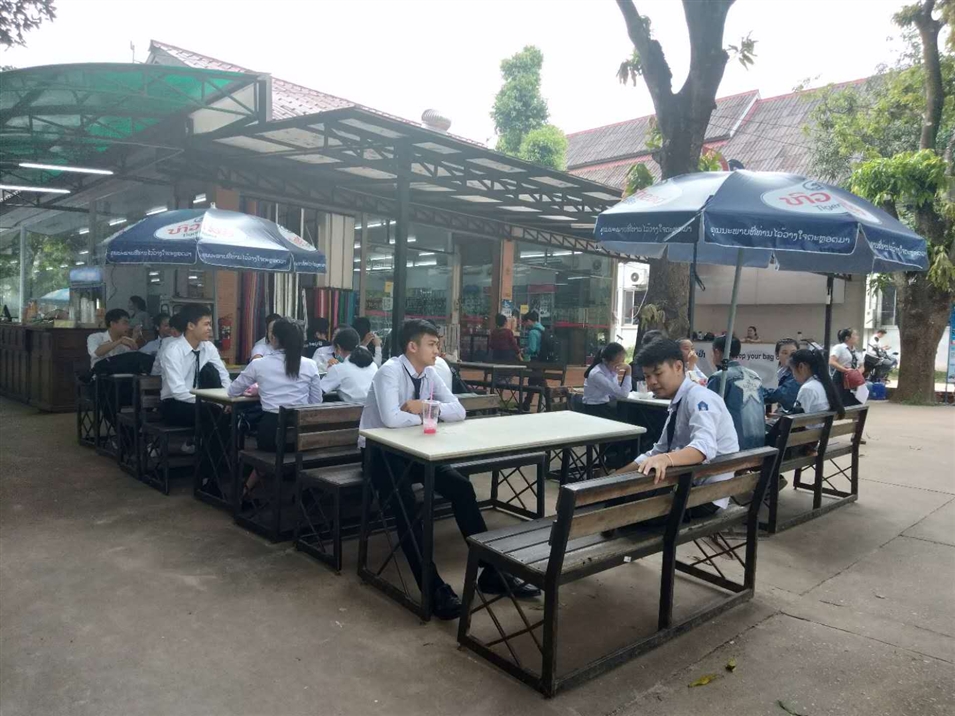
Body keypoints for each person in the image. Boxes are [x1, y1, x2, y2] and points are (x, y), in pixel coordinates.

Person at [360, 319, 539, 619]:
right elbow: (390, 420)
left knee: (461, 487)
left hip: (416, 450)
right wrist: (428, 414)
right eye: (431, 344)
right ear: (412, 346)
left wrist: (425, 408)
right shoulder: (389, 371)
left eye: (437, 344)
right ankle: (432, 588)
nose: (437, 351)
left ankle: (491, 571)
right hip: (379, 453)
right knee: (406, 504)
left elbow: (458, 410)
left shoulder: (430, 373)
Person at [627, 338, 740, 518]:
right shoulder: (679, 402)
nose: (652, 382)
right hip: (688, 487)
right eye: (647, 376)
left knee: (624, 513)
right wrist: (614, 478)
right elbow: (658, 451)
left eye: (658, 373)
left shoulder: (700, 398)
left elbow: (703, 448)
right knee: (620, 501)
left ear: (678, 367)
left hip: (705, 497)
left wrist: (666, 459)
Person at [229, 319, 323, 452]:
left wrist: (261, 390)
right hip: (301, 434)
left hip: (271, 433)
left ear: (273, 338)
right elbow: (316, 401)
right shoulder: (310, 365)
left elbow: (232, 391)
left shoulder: (259, 364)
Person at [160, 305, 232, 427]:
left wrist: (228, 399)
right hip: (175, 403)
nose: (210, 329)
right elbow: (178, 391)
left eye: (210, 325)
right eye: (206, 324)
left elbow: (223, 375)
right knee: (213, 413)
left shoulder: (209, 347)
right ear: (191, 326)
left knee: (233, 412)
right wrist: (210, 402)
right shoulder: (173, 351)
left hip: (203, 402)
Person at [707, 335, 766, 450]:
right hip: (759, 444)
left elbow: (708, 414)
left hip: (734, 446)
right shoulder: (754, 375)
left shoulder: (719, 378)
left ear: (717, 352)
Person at [321, 327, 378, 403]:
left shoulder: (338, 369)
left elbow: (318, 391)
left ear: (339, 347)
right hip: (373, 408)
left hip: (351, 409)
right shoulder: (372, 365)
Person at [790, 348, 845, 418]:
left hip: (810, 425)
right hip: (822, 425)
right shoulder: (825, 384)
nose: (793, 375)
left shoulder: (807, 389)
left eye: (792, 370)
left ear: (801, 367)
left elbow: (796, 418)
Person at [582, 342, 632, 418]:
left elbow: (621, 392)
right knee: (625, 416)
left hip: (605, 405)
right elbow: (623, 394)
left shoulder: (611, 370)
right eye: (618, 363)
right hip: (594, 409)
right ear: (605, 361)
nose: (621, 365)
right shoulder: (597, 374)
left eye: (623, 361)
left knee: (629, 412)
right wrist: (628, 369)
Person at [829, 328, 868, 406]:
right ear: (847, 338)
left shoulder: (856, 351)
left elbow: (862, 366)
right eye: (855, 335)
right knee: (841, 400)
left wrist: (857, 373)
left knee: (856, 400)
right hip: (841, 377)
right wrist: (845, 370)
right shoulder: (839, 347)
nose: (857, 337)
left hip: (853, 378)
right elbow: (832, 361)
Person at [765, 338, 800, 411]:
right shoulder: (783, 371)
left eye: (793, 353)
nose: (789, 356)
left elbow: (780, 395)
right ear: (777, 354)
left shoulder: (798, 374)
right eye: (785, 353)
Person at [151, 313, 184, 377]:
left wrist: (152, 377)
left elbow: (157, 366)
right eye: (166, 326)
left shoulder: (167, 342)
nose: (169, 329)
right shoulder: (167, 342)